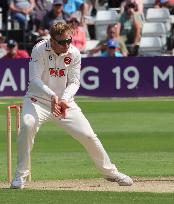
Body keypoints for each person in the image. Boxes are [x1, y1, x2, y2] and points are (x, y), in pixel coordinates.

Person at [10, 22, 133, 189]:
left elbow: (75, 82)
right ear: (52, 40)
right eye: (62, 42)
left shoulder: (74, 52)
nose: (66, 45)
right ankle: (20, 175)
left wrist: (64, 99)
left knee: (88, 136)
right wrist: (52, 95)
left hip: (64, 102)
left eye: (69, 40)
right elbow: (34, 79)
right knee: (27, 125)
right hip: (37, 100)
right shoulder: (39, 49)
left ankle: (111, 173)